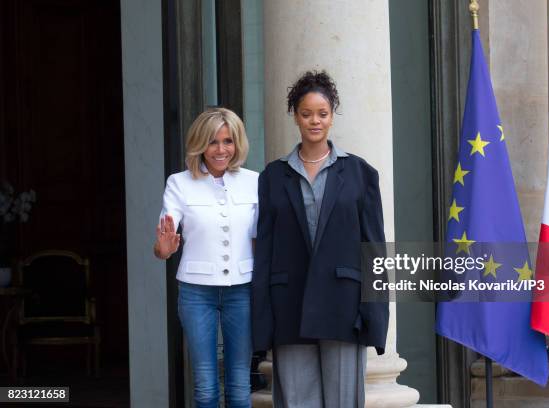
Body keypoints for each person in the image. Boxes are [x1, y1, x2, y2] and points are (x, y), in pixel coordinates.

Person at [251, 71, 389, 408]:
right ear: (295, 116)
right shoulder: (272, 176)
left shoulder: (360, 174)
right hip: (289, 308)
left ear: (332, 115)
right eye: (306, 113)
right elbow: (265, 252)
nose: (315, 121)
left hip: (344, 308)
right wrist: (263, 321)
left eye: (322, 114)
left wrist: (374, 317)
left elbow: (374, 251)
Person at [154, 108, 258, 408]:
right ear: (200, 144)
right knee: (206, 386)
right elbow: (164, 243)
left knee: (239, 384)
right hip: (197, 292)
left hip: (242, 290)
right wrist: (164, 248)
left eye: (228, 141)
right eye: (213, 142)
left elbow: (260, 239)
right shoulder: (179, 183)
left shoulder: (254, 181)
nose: (221, 149)